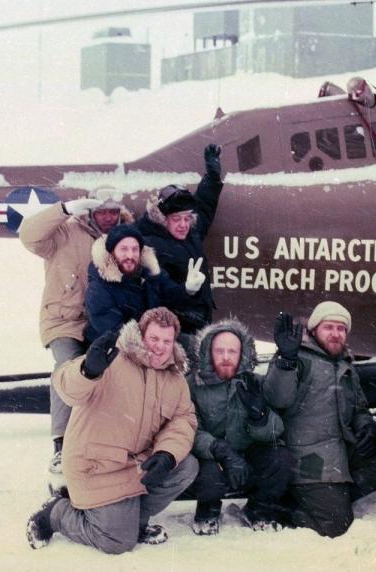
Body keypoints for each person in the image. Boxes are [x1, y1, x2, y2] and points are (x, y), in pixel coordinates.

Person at [26, 308, 198, 553]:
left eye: (166, 341)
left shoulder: (175, 380)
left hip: (133, 465)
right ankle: (55, 513)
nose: (160, 347)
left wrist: (167, 453)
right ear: (140, 336)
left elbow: (183, 419)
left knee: (186, 466)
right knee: (117, 541)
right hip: (95, 466)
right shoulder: (112, 358)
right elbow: (65, 386)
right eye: (154, 339)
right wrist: (87, 370)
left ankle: (134, 522)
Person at [18, 186, 132, 473]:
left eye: (113, 212)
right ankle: (61, 444)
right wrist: (63, 210)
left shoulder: (123, 238)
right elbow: (28, 235)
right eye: (102, 212)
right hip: (65, 321)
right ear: (91, 211)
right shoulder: (65, 233)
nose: (108, 218)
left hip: (102, 321)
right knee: (68, 366)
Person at [263, 301, 376, 538]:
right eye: (329, 327)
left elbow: (359, 409)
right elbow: (278, 399)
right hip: (309, 459)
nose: (336, 334)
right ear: (314, 330)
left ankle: (331, 494)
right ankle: (278, 509)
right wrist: (285, 361)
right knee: (336, 525)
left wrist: (367, 426)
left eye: (341, 328)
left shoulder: (345, 364)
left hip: (340, 452)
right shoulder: (297, 356)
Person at [186, 318, 292, 535]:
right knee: (209, 477)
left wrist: (259, 416)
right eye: (219, 351)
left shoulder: (254, 382)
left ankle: (258, 509)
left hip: (248, 452)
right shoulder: (193, 384)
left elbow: (277, 430)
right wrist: (219, 449)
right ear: (209, 352)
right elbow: (188, 428)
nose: (226, 357)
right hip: (212, 455)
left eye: (232, 352)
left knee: (280, 459)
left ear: (241, 353)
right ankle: (208, 509)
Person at [137, 144, 223, 339]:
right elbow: (160, 291)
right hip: (174, 331)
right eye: (176, 219)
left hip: (198, 321)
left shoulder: (188, 233)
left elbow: (204, 206)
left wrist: (212, 176)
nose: (183, 224)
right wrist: (186, 290)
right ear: (162, 218)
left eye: (187, 218)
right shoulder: (150, 246)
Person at [83, 223, 204, 344]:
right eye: (123, 249)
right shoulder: (98, 288)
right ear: (112, 253)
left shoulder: (149, 274)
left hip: (154, 338)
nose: (130, 255)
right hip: (115, 349)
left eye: (135, 249)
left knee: (200, 346)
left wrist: (188, 289)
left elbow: (170, 295)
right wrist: (157, 341)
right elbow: (115, 333)